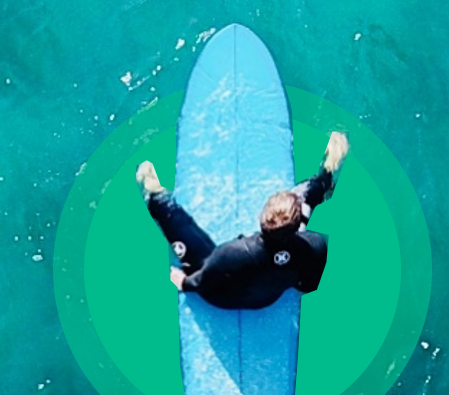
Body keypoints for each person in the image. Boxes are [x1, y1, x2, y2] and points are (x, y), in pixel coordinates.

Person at [137, 132, 349, 311]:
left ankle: (155, 196)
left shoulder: (232, 253)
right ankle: (325, 179)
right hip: (267, 299)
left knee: (179, 225)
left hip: (223, 299)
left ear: (261, 218)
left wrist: (183, 282)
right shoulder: (315, 245)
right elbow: (308, 285)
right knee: (302, 198)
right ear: (297, 225)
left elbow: (202, 281)